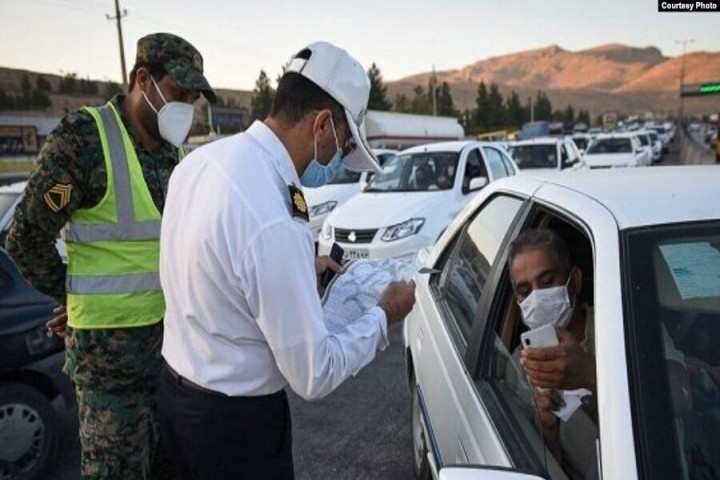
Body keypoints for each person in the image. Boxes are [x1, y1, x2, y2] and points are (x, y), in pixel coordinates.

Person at [157, 41, 416, 479]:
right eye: (344, 144)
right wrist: (382, 316)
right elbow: (313, 376)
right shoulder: (274, 217)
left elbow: (213, 267)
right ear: (321, 126)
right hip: (236, 432)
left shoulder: (201, 162)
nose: (337, 159)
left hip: (176, 401)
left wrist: (297, 271)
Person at [5, 32, 215, 479]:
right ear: (144, 79)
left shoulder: (173, 154)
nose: (189, 107)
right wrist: (73, 297)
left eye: (195, 98)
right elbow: (25, 238)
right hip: (110, 374)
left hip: (173, 360)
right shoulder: (84, 139)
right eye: (180, 93)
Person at [507, 228, 597, 478]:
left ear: (575, 280)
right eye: (525, 291)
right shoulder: (521, 365)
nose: (537, 297)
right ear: (518, 301)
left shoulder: (618, 322)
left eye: (547, 282)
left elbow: (680, 395)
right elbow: (539, 469)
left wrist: (592, 374)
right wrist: (548, 428)